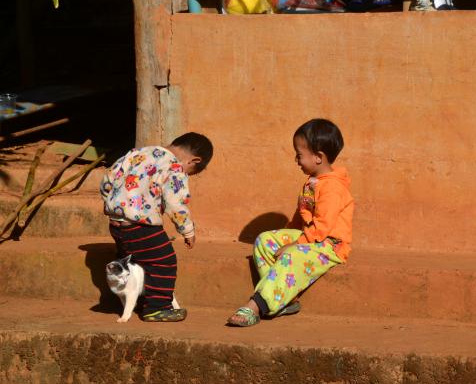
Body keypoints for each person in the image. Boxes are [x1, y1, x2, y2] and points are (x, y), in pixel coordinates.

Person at [227, 119, 354, 327]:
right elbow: (300, 216)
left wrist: (295, 244)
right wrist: (286, 237)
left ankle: (256, 305)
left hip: (329, 245)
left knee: (292, 254)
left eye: (299, 155)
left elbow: (323, 226)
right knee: (265, 241)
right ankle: (285, 299)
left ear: (318, 157)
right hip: (311, 238)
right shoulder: (312, 181)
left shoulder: (333, 188)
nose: (296, 160)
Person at [100, 132, 213, 322]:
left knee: (129, 260)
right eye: (190, 172)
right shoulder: (175, 167)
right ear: (194, 160)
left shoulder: (136, 154)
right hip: (142, 227)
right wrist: (187, 230)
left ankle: (126, 298)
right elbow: (175, 203)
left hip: (116, 224)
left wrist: (114, 204)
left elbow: (107, 182)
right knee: (164, 261)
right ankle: (157, 307)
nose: (186, 174)